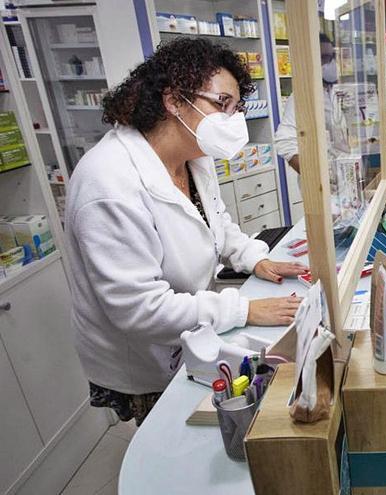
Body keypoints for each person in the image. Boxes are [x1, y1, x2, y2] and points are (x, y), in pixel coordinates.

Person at [65, 38, 308, 425]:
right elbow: (139, 309)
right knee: (170, 434)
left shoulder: (193, 157)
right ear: (173, 100)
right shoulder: (108, 184)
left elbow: (217, 223)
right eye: (222, 104)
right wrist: (244, 309)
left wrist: (255, 257)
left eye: (236, 108)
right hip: (142, 354)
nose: (232, 119)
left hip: (188, 325)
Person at [275, 33, 338, 174]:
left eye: (331, 57)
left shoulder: (336, 92)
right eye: (323, 58)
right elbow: (285, 141)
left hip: (348, 175)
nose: (330, 63)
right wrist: (315, 178)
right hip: (323, 184)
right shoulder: (302, 97)